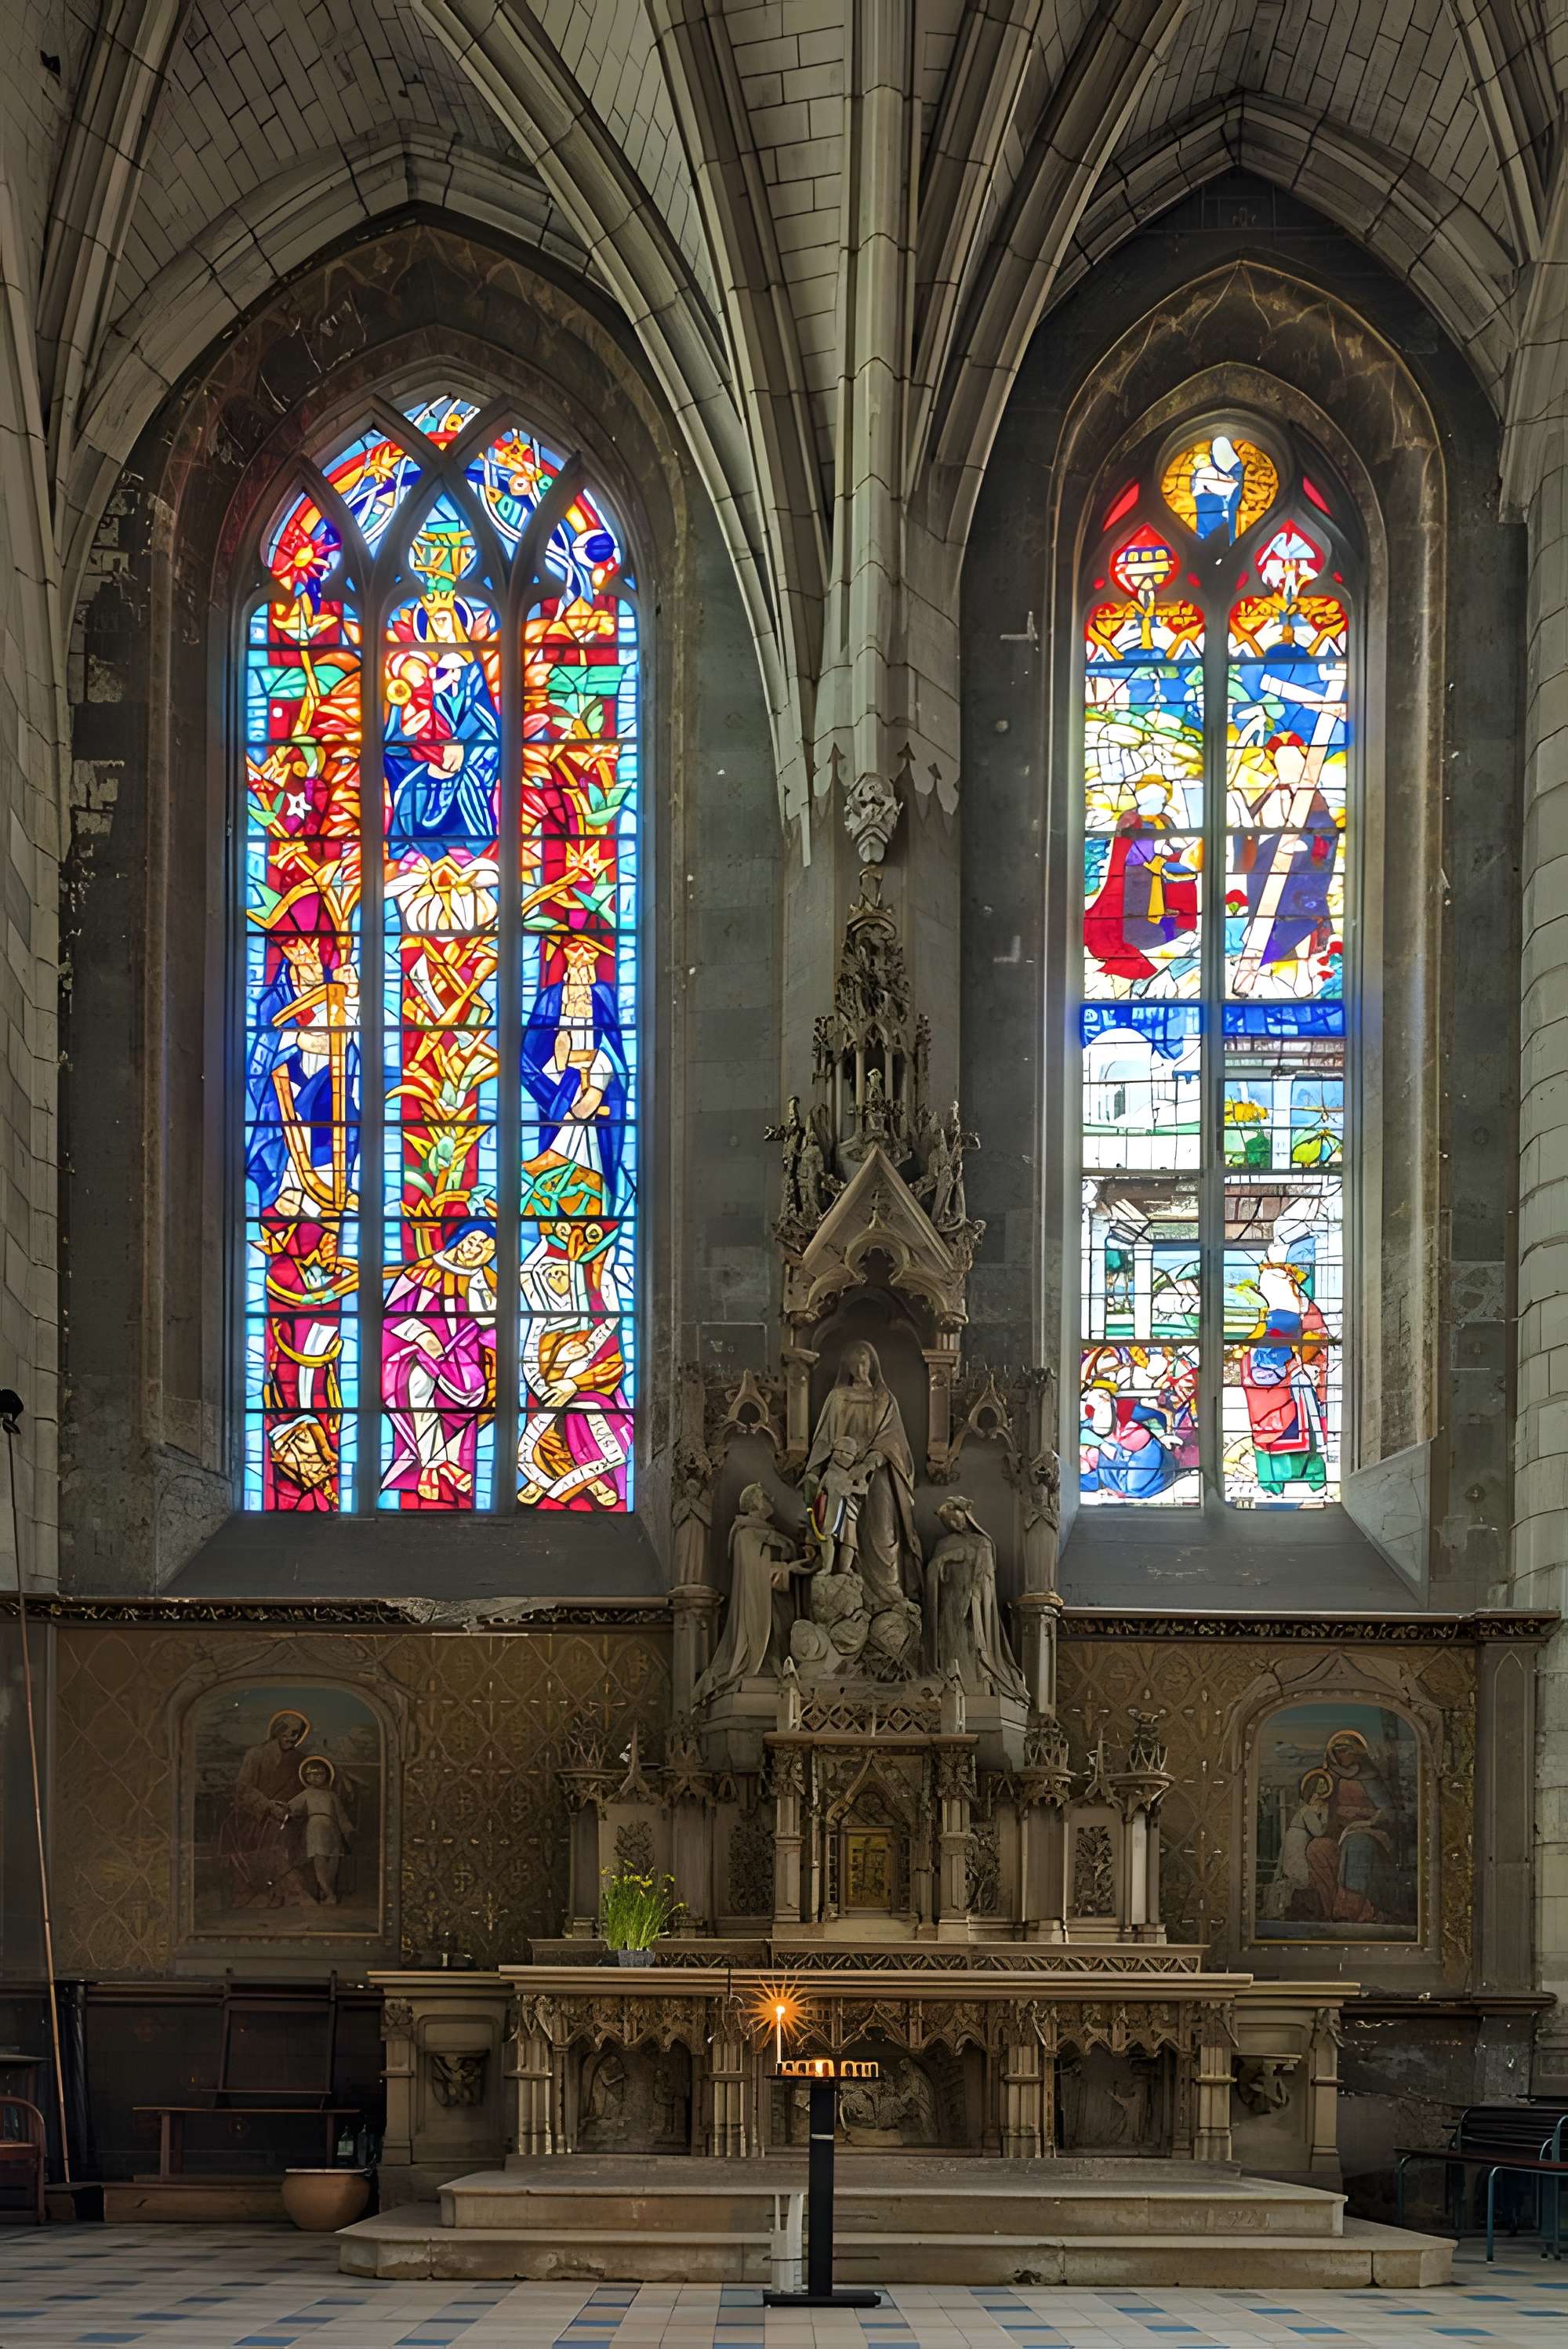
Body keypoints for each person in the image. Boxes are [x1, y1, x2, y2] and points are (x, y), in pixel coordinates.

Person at [380, 1218, 496, 1505]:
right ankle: (433, 1464)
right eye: (473, 1241)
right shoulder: (422, 1272)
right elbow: (392, 1314)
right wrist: (422, 1335)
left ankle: (449, 1464)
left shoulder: (489, 1282)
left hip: (464, 1359)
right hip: (411, 1355)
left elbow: (495, 1329)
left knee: (475, 1395)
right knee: (418, 1381)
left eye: (486, 1249)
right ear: (460, 1239)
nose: (475, 1251)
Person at [804, 1343, 923, 1613]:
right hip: (838, 1474)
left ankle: (889, 1596)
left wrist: (870, 1462)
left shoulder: (884, 1398)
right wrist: (814, 1470)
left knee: (883, 1530)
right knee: (836, 1529)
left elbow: (894, 1441)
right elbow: (823, 1439)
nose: (860, 1369)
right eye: (855, 1364)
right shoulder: (837, 1397)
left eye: (865, 1363)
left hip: (877, 1472)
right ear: (847, 1367)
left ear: (873, 1365)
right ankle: (844, 1586)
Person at [694, 1485, 811, 1699]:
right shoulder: (745, 1533)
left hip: (777, 1596)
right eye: (766, 1498)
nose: (771, 1501)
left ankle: (775, 1664)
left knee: (780, 1631)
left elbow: (775, 1559)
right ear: (756, 1503)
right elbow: (754, 1571)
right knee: (762, 1632)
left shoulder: (765, 1531)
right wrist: (787, 1567)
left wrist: (791, 1562)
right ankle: (760, 1664)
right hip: (758, 1597)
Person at [924, 1498, 1027, 1699]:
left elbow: (984, 1577)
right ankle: (951, 1684)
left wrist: (973, 1597)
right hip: (948, 1603)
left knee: (971, 1644)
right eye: (948, 1523)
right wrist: (943, 1560)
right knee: (950, 1643)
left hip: (972, 1604)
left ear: (966, 1516)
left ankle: (974, 1686)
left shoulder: (982, 1543)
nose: (953, 1526)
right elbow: (932, 1573)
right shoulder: (943, 1544)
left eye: (956, 1520)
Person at [216, 1709, 312, 1908]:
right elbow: (244, 1789)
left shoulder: (300, 1760)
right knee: (253, 1834)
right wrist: (268, 1807)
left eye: (296, 1733)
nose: (291, 1738)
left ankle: (283, 1892)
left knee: (289, 1833)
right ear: (277, 1732)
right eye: (286, 1732)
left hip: (286, 1813)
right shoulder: (256, 1754)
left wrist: (288, 1809)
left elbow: (302, 1790)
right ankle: (254, 1892)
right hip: (254, 1812)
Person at [1261, 1768, 1331, 1920]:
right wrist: (1325, 1815)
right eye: (1319, 1790)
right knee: (1307, 1879)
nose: (1322, 1795)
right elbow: (1319, 1832)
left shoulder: (1305, 1810)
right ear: (1312, 1793)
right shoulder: (1307, 1812)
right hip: (1297, 1851)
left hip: (1295, 1847)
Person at [285, 1756, 355, 1905]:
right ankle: (330, 1895)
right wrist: (280, 1808)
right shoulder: (306, 1794)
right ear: (306, 1778)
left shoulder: (332, 1795)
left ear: (326, 1776)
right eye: (310, 1775)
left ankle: (327, 1892)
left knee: (333, 1862)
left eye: (318, 1774)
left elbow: (341, 1816)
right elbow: (291, 1808)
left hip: (333, 1830)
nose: (314, 1778)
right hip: (315, 1829)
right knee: (320, 1861)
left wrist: (348, 1830)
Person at [811, 1437, 877, 1577]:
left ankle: (845, 1569)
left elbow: (865, 1489)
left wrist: (851, 1488)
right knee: (827, 1535)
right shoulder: (829, 1472)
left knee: (850, 1540)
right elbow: (819, 1491)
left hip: (849, 1508)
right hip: (831, 1506)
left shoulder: (856, 1472)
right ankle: (827, 1567)